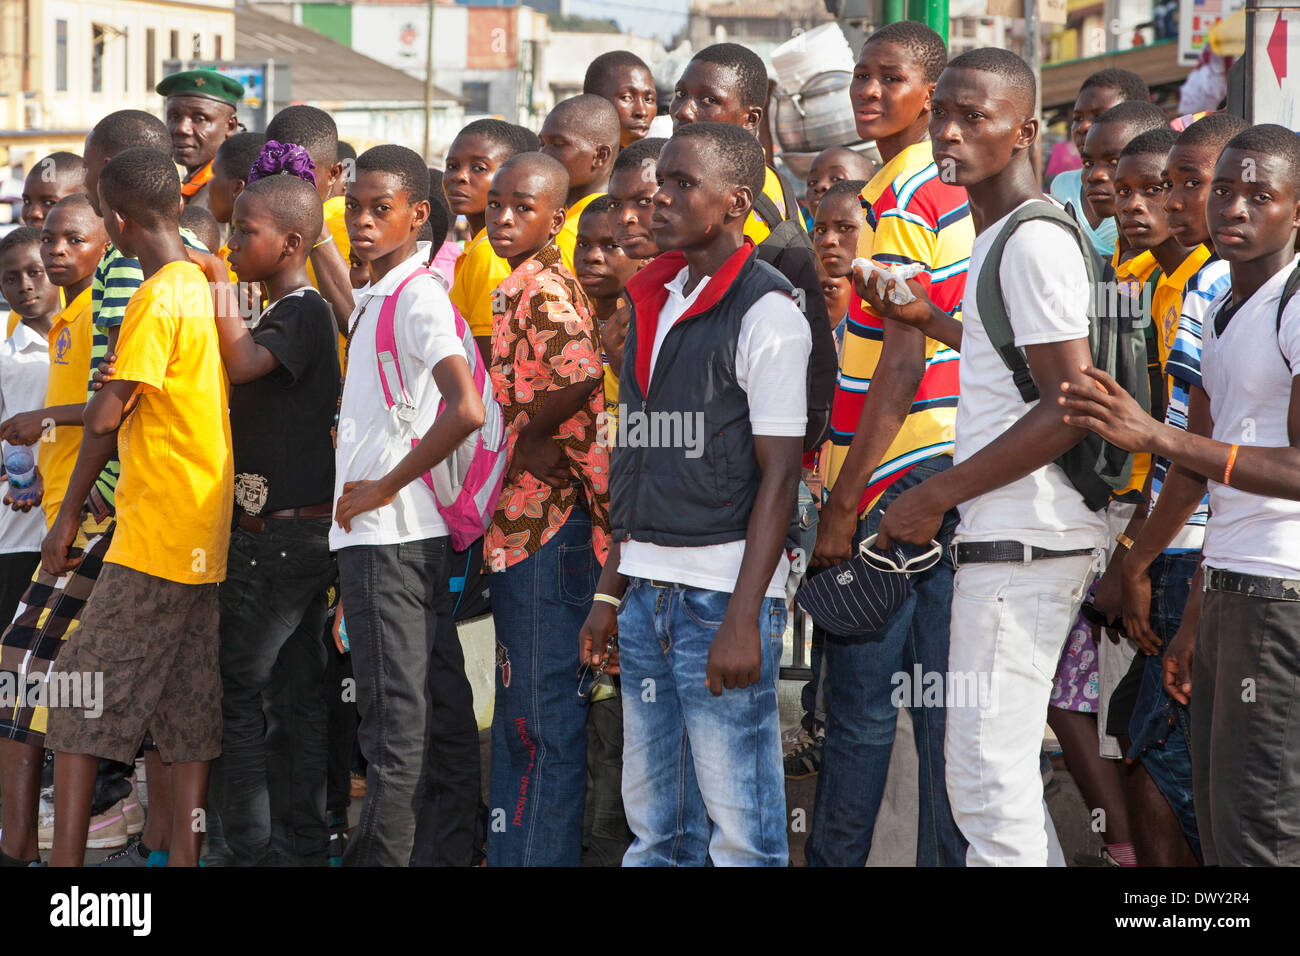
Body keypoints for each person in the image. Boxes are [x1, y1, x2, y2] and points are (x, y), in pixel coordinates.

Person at [870, 47, 1108, 867]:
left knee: (984, 783)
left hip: (1025, 543)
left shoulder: (1031, 240)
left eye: (976, 118)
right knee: (990, 781)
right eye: (944, 114)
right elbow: (1018, 365)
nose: (949, 132)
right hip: (1013, 540)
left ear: (1023, 132)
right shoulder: (999, 236)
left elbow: (1069, 404)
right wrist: (929, 319)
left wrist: (936, 494)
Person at [1061, 123, 1300, 866]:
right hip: (1228, 586)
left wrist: (1155, 437)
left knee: (1265, 825)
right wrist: (1196, 611)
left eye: (1259, 196)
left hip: (1282, 596)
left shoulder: (1294, 304)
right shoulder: (1225, 306)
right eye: (1222, 190)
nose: (1232, 209)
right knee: (1225, 813)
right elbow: (1211, 481)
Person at [580, 121, 808, 866]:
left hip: (720, 598)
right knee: (659, 831)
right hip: (649, 593)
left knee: (744, 835)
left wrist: (745, 615)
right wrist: (612, 593)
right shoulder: (653, 296)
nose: (658, 199)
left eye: (682, 185)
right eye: (658, 184)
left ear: (736, 201)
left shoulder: (767, 309)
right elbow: (638, 459)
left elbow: (780, 472)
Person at [805, 21, 971, 868]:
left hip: (896, 485)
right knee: (935, 713)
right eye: (860, 77)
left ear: (929, 97)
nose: (868, 91)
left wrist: (843, 502)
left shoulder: (909, 199)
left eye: (889, 78)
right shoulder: (921, 189)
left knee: (864, 717)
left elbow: (904, 356)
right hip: (922, 477)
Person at [42, 147, 235, 868]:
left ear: (118, 221)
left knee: (78, 693)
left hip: (157, 528)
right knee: (187, 708)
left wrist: (65, 519)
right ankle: (182, 857)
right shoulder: (199, 283)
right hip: (203, 534)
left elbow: (105, 416)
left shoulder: (158, 295)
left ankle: (64, 868)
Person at [333, 145, 486, 866]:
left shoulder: (415, 296)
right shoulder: (381, 296)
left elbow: (467, 409)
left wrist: (384, 486)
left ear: (418, 215)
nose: (361, 221)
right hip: (395, 541)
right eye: (353, 207)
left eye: (379, 208)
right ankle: (448, 853)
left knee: (394, 728)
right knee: (436, 714)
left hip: (389, 537)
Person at [1108, 113, 1246, 866]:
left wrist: (1135, 558)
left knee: (1164, 752)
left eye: (1195, 183)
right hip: (1197, 549)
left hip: (1199, 553)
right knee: (1163, 745)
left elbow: (1192, 453)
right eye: (1189, 184)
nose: (1189, 200)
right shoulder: (1199, 283)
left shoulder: (1218, 284)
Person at [201, 175, 340, 867]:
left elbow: (244, 361)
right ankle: (299, 847)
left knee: (236, 690)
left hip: (281, 541)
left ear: (290, 243)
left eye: (243, 233)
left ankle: (247, 850)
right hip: (285, 536)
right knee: (293, 695)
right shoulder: (278, 307)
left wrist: (217, 282)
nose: (230, 244)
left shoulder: (303, 311)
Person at [483, 151, 609, 867]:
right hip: (526, 526)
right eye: (496, 203)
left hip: (548, 528)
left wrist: (529, 437)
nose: (502, 217)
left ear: (555, 217)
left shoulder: (539, 289)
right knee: (524, 718)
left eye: (520, 206)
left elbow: (582, 373)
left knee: (539, 722)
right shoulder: (527, 281)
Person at [0, 199, 111, 866]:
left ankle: (70, 831)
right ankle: (24, 835)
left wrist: (45, 422)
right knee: (23, 678)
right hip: (30, 531)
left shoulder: (103, 315)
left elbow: (110, 410)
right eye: (12, 275)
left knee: (66, 680)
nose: (31, 279)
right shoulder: (23, 338)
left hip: (88, 524)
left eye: (42, 263)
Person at [669, 42, 797, 244]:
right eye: (680, 94)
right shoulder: (758, 176)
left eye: (709, 100)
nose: (683, 111)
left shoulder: (726, 193)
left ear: (751, 119)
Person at [0, 227, 58, 625]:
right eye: (10, 278)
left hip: (84, 518)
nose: (25, 286)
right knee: (15, 635)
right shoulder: (5, 354)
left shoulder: (94, 341)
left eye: (35, 272)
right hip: (20, 522)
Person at [261, 106, 356, 335]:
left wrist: (316, 228)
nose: (288, 187)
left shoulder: (346, 225)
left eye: (302, 176)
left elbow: (357, 324)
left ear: (333, 174)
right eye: (276, 174)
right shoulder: (256, 228)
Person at [444, 119, 534, 360]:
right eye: (452, 166)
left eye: (478, 168)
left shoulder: (490, 253)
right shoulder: (481, 247)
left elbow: (490, 362)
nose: (459, 177)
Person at [1049, 69, 1150, 257]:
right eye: (1078, 118)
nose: (1084, 127)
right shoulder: (1062, 186)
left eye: (1099, 117)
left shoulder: (1151, 194)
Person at [538, 94, 621, 275]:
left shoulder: (569, 236)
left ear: (600, 156)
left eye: (558, 144)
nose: (543, 154)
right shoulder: (620, 218)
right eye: (542, 143)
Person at [8, 152, 86, 337]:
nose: (33, 213)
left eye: (49, 202)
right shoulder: (25, 303)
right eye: (27, 201)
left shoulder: (103, 289)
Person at [156, 68, 243, 212]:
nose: (182, 129)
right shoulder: (192, 184)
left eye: (199, 119)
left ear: (230, 126)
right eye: (174, 117)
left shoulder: (227, 195)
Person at [584, 50, 658, 148]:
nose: (642, 112)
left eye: (648, 99)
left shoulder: (661, 160)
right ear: (593, 103)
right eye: (626, 98)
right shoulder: (569, 160)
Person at [804, 145, 875, 222]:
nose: (819, 186)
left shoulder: (884, 232)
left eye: (836, 179)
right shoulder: (798, 233)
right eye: (812, 182)